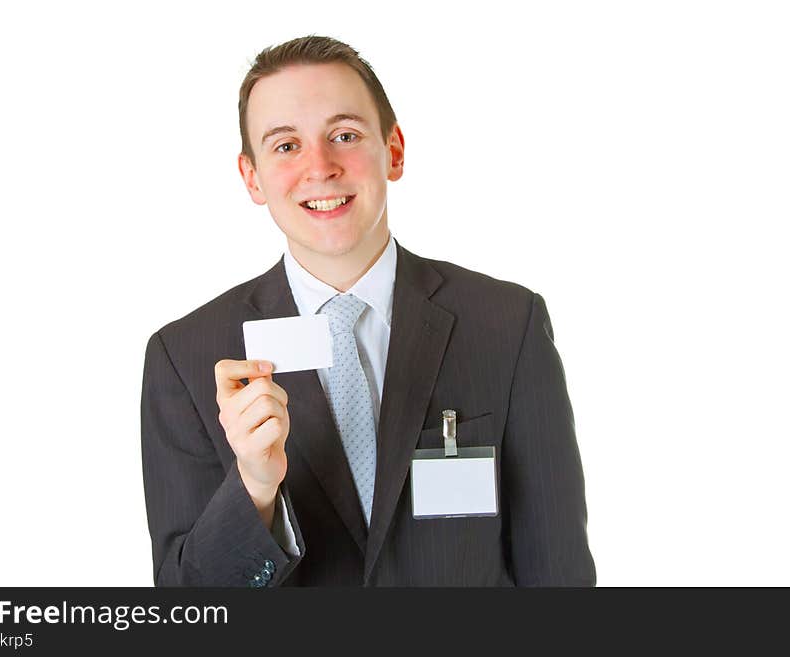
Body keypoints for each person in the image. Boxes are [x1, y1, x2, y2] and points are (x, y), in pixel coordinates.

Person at [140, 35, 595, 586]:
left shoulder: (506, 324)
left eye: (345, 135)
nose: (320, 167)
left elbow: (559, 574)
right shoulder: (186, 357)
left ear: (394, 149)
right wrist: (256, 488)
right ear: (252, 177)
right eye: (286, 146)